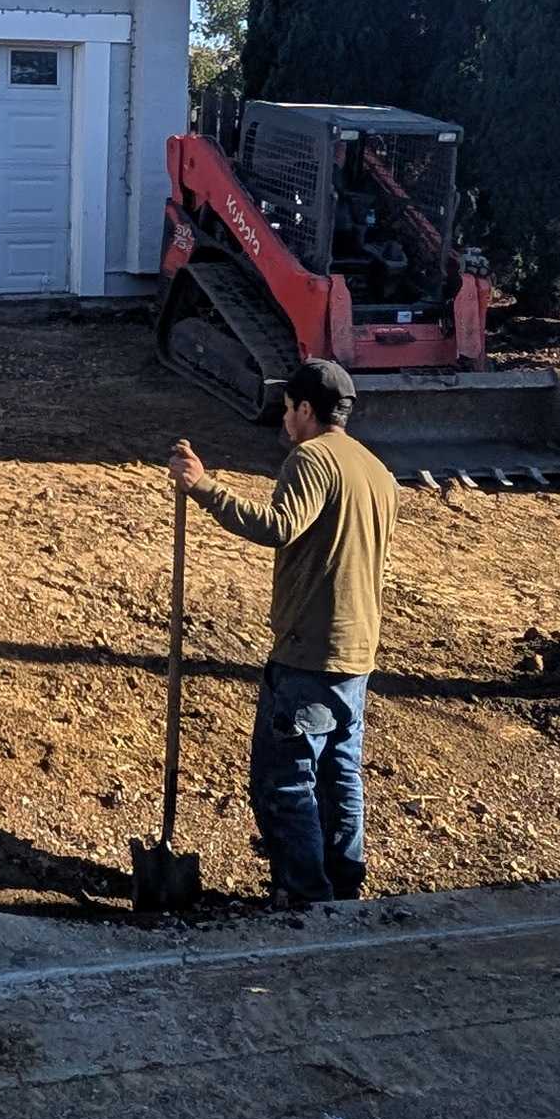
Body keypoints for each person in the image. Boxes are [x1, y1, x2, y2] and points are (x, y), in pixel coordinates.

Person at [169, 359, 398, 906]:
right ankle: (343, 885)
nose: (284, 419)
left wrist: (203, 487)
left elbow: (279, 525)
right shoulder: (376, 470)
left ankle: (302, 892)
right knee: (340, 774)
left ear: (306, 409)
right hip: (358, 650)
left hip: (309, 652)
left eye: (289, 408)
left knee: (286, 778)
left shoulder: (312, 459)